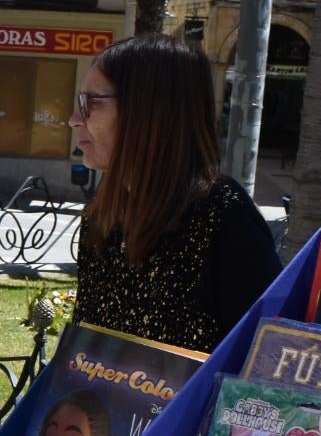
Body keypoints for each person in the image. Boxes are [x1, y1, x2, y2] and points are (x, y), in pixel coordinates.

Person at [68, 32, 282, 355]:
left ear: (147, 111)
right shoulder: (103, 216)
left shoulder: (225, 220)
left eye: (92, 104)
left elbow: (265, 364)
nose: (74, 120)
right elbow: (84, 355)